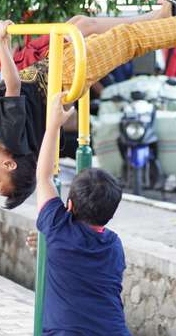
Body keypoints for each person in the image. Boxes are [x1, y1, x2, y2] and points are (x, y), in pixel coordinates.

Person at [0, 0, 176, 209]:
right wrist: (1, 42)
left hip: (55, 65)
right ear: (8, 164)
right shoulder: (7, 137)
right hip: (65, 73)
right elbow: (13, 84)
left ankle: (162, 17)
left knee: (88, 27)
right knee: (127, 40)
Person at [35, 92, 131, 335]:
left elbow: (43, 176)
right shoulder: (113, 245)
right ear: (111, 213)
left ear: (70, 206)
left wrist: (54, 125)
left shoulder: (58, 227)